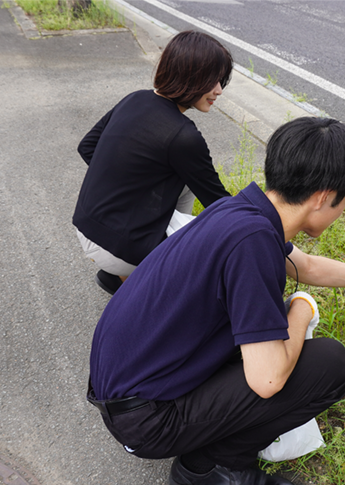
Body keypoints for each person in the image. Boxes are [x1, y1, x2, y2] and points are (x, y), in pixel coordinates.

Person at [85, 116, 345, 485]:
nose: (343, 211)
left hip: (125, 385)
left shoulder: (243, 212)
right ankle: (208, 467)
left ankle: (208, 442)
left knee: (272, 323)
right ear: (322, 196)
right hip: (146, 421)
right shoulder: (253, 244)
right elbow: (267, 381)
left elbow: (307, 267)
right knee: (329, 365)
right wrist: (302, 308)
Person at [73, 30, 233, 296]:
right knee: (207, 268)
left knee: (181, 182)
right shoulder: (183, 136)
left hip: (87, 227)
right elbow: (219, 203)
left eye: (221, 80)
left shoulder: (136, 99)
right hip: (120, 248)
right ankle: (143, 288)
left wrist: (128, 189)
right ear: (190, 76)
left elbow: (87, 147)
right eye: (212, 80)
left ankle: (117, 276)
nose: (218, 90)